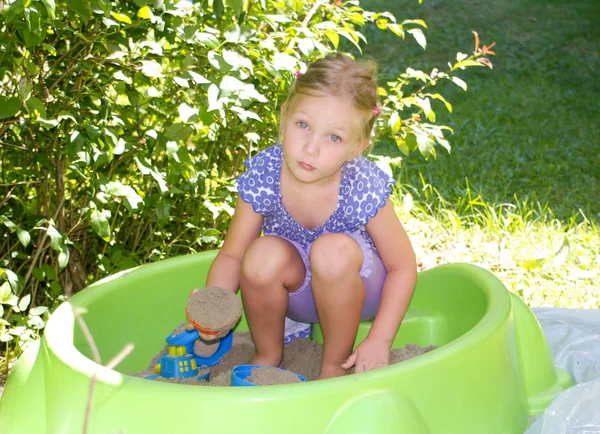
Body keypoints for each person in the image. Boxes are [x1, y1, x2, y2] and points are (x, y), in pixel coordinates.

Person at [204, 53, 417, 379]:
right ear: (284, 115)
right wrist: (214, 307)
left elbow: (402, 267)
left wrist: (379, 340)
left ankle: (333, 366)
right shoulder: (267, 171)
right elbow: (232, 255)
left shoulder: (361, 183)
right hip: (296, 295)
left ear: (358, 146)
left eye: (334, 137)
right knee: (260, 253)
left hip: (355, 288)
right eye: (303, 125)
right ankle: (268, 354)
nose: (311, 148)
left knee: (330, 250)